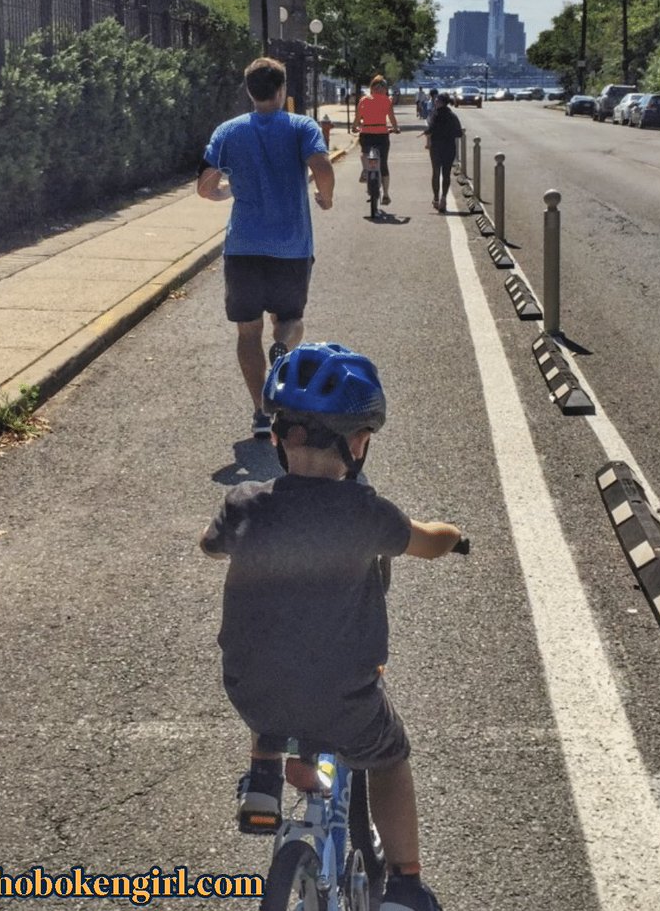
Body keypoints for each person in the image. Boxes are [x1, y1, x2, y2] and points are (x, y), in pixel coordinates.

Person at [200, 342, 464, 911]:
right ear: (359, 443)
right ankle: (407, 886)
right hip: (342, 700)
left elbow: (210, 546)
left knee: (267, 657)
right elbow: (429, 542)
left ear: (278, 436)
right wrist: (455, 536)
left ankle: (264, 781)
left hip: (250, 690)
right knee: (388, 757)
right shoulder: (367, 514)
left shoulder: (243, 503)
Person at [197, 57, 335, 441]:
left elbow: (205, 185)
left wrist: (224, 192)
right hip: (290, 247)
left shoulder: (228, 131)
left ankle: (261, 412)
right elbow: (322, 168)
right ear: (282, 89)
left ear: (249, 90)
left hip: (242, 247)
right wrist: (326, 198)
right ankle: (282, 349)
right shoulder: (302, 127)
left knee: (247, 331)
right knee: (290, 321)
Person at [353, 75, 401, 205]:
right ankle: (385, 194)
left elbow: (357, 118)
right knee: (383, 164)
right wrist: (395, 128)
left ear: (371, 88)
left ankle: (365, 169)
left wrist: (354, 127)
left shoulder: (363, 100)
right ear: (384, 89)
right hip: (382, 135)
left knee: (364, 152)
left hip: (366, 134)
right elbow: (392, 118)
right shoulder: (387, 101)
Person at [421, 93, 463, 212]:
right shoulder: (452, 116)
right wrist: (448, 133)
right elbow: (459, 133)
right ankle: (443, 198)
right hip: (449, 147)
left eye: (437, 100)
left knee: (436, 172)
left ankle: (436, 199)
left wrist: (427, 134)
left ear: (441, 102)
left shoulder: (435, 114)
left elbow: (430, 129)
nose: (435, 102)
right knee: (446, 173)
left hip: (436, 147)